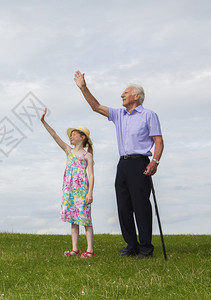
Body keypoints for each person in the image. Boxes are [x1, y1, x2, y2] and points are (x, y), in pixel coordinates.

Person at [74, 70, 164, 260]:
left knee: (141, 206)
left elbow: (158, 141)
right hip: (122, 164)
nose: (122, 95)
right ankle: (131, 245)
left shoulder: (149, 115)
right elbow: (96, 106)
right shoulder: (119, 114)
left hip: (140, 163)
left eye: (126, 93)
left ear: (137, 96)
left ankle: (146, 248)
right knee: (123, 207)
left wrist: (154, 162)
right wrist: (83, 88)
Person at [41, 108, 95, 258]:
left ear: (82, 137)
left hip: (82, 190)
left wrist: (90, 192)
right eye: (71, 135)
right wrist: (43, 121)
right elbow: (54, 135)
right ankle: (75, 248)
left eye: (74, 135)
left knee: (85, 219)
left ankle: (90, 250)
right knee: (73, 219)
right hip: (70, 190)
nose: (71, 137)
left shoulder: (87, 155)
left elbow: (91, 174)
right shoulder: (68, 151)